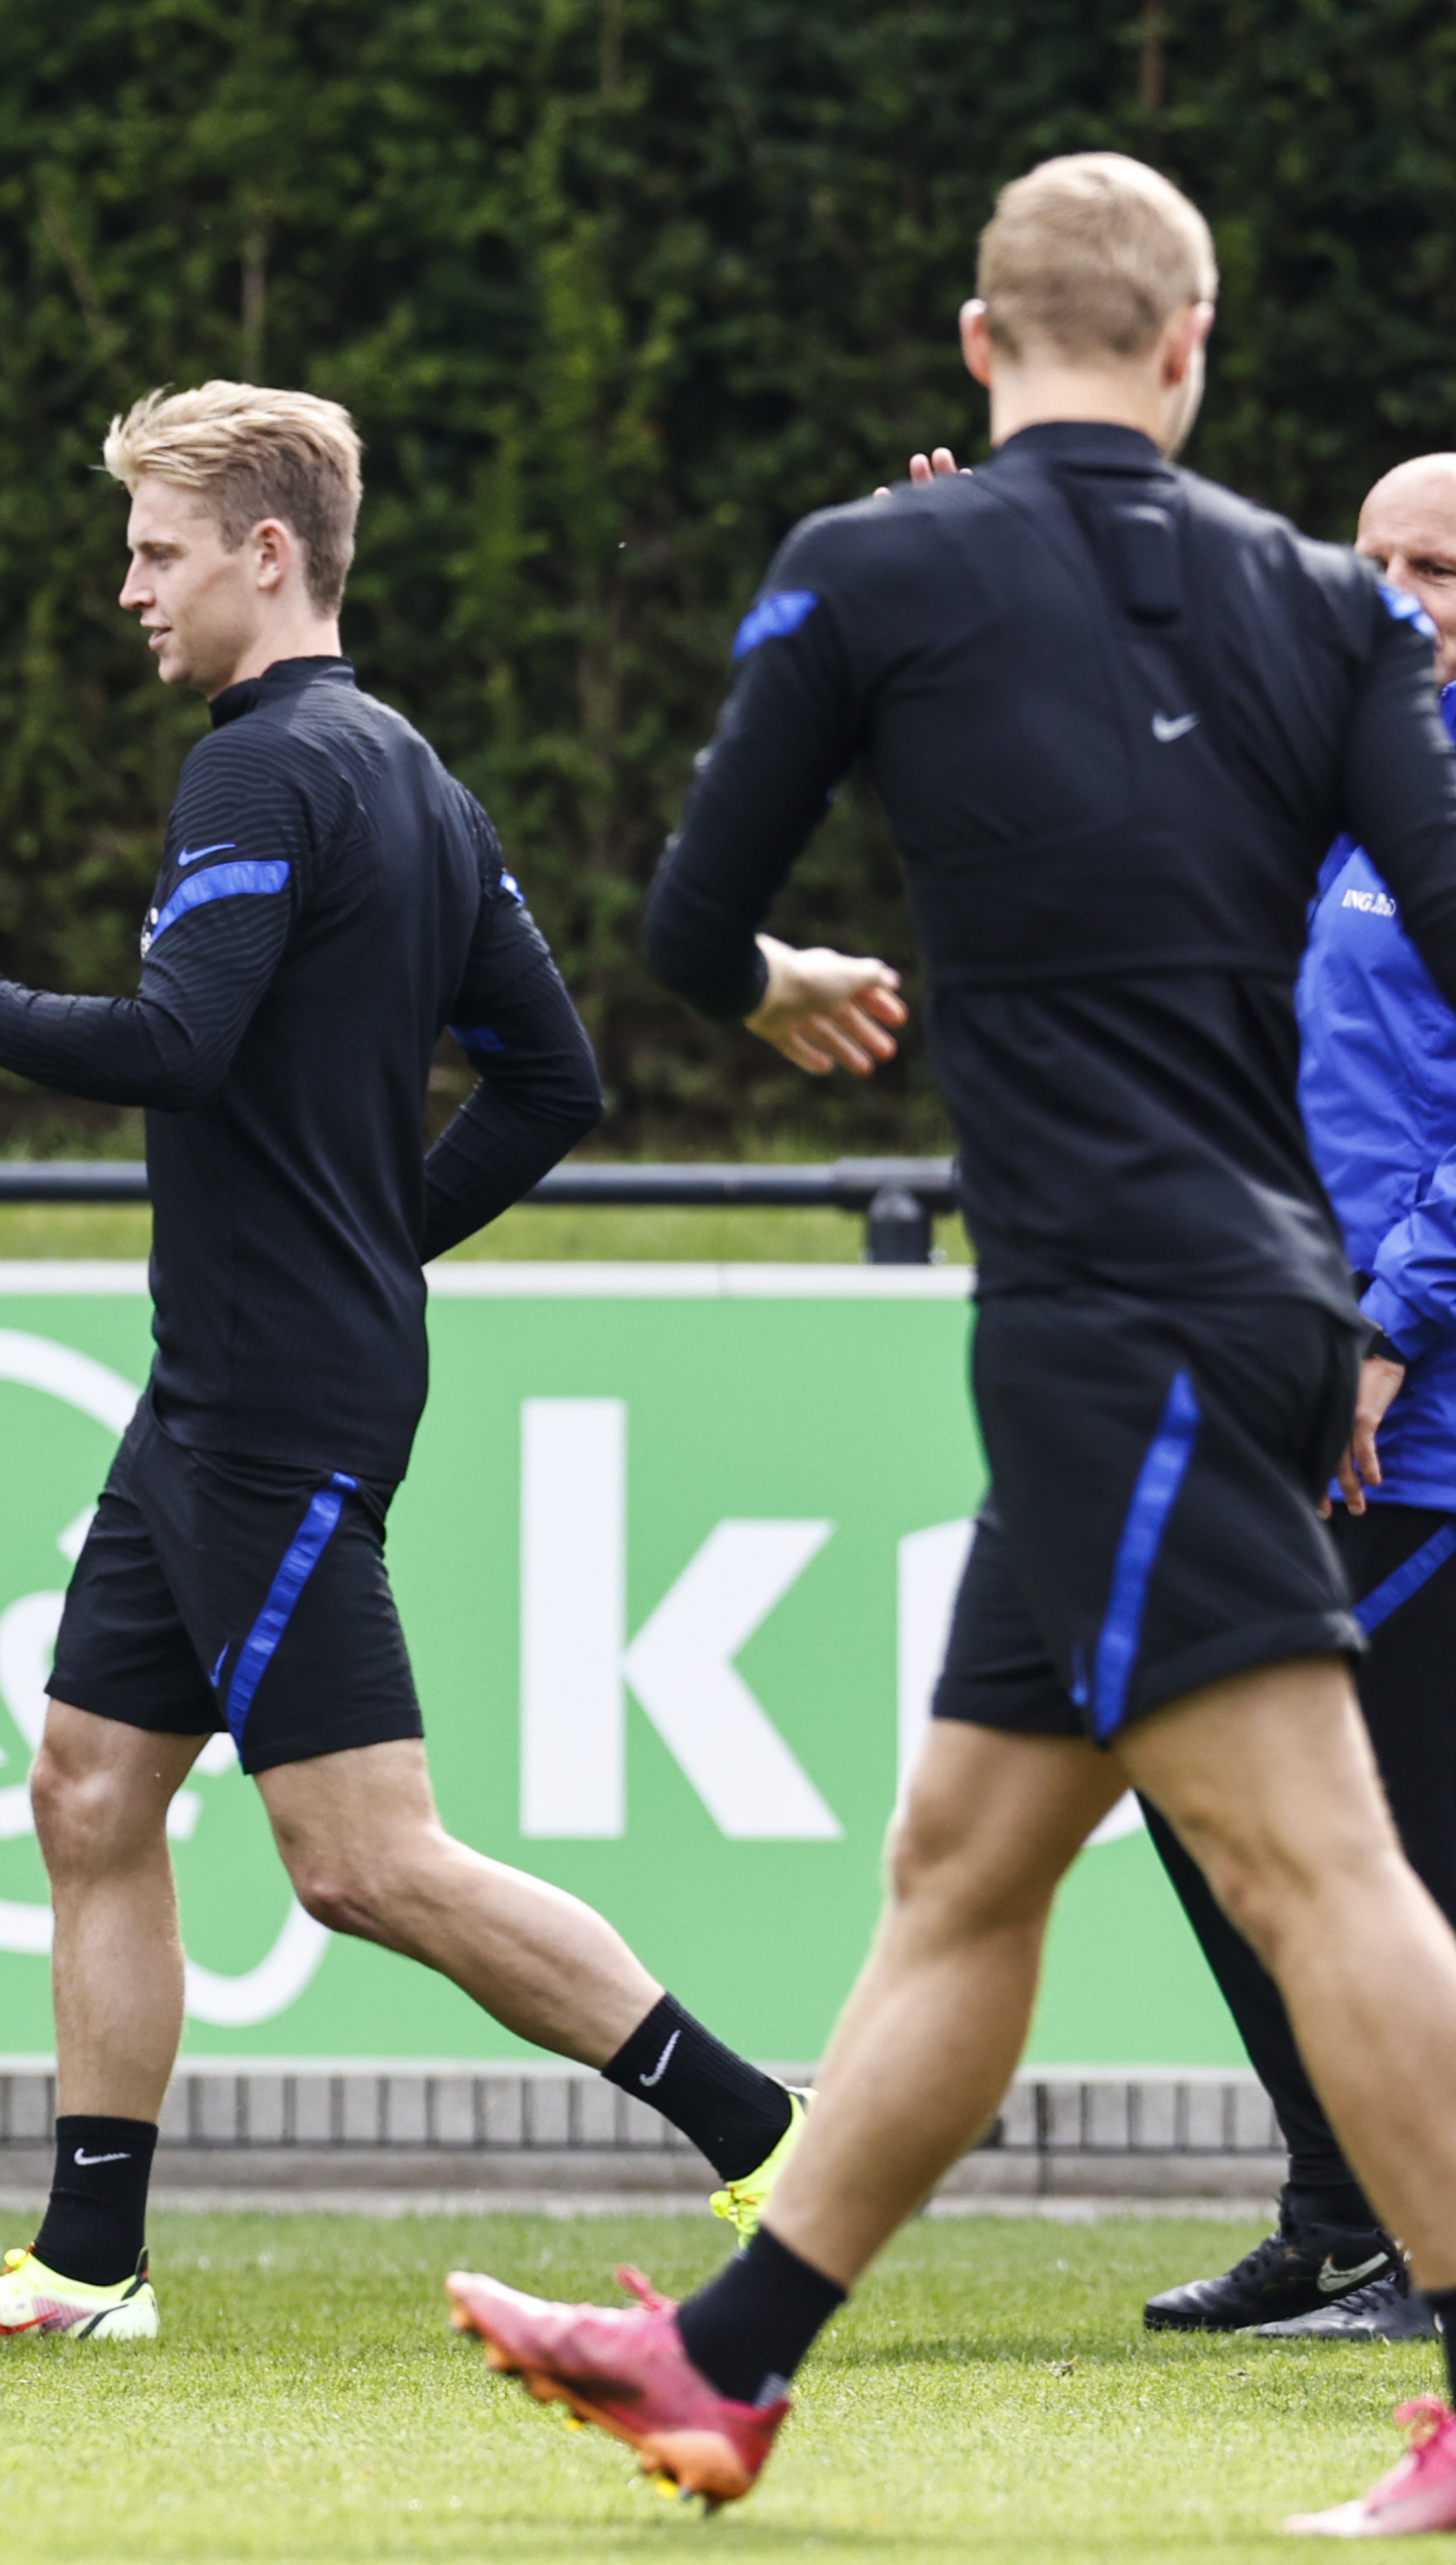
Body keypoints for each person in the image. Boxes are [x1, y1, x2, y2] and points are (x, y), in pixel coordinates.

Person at [441, 156, 1456, 2536]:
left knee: (1325, 1881)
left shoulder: (865, 569)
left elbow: (693, 930)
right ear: (1190, 350)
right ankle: (721, 2367)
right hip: (1228, 1309)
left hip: (1115, 1323)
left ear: (983, 347)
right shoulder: (1320, 604)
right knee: (959, 1875)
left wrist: (792, 981)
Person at [0, 378, 804, 2346]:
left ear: (268, 555)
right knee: (89, 1788)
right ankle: (88, 2266)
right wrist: (379, 1242)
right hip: (232, 1382)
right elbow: (555, 1082)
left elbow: (178, 1040)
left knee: (362, 1859)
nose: (128, 592)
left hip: (273, 1393)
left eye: (156, 553)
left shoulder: (264, 771)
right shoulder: (415, 775)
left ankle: (777, 2132)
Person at [1138, 451, 1456, 2345]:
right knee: (1210, 1797)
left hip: (1414, 1416)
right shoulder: (1348, 779)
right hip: (1289, 1380)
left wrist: (1398, 1318)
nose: (1407, 589)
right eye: (1384, 557)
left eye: (1446, 564)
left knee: (1384, 1844)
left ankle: (1421, 2242)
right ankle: (1344, 2207)